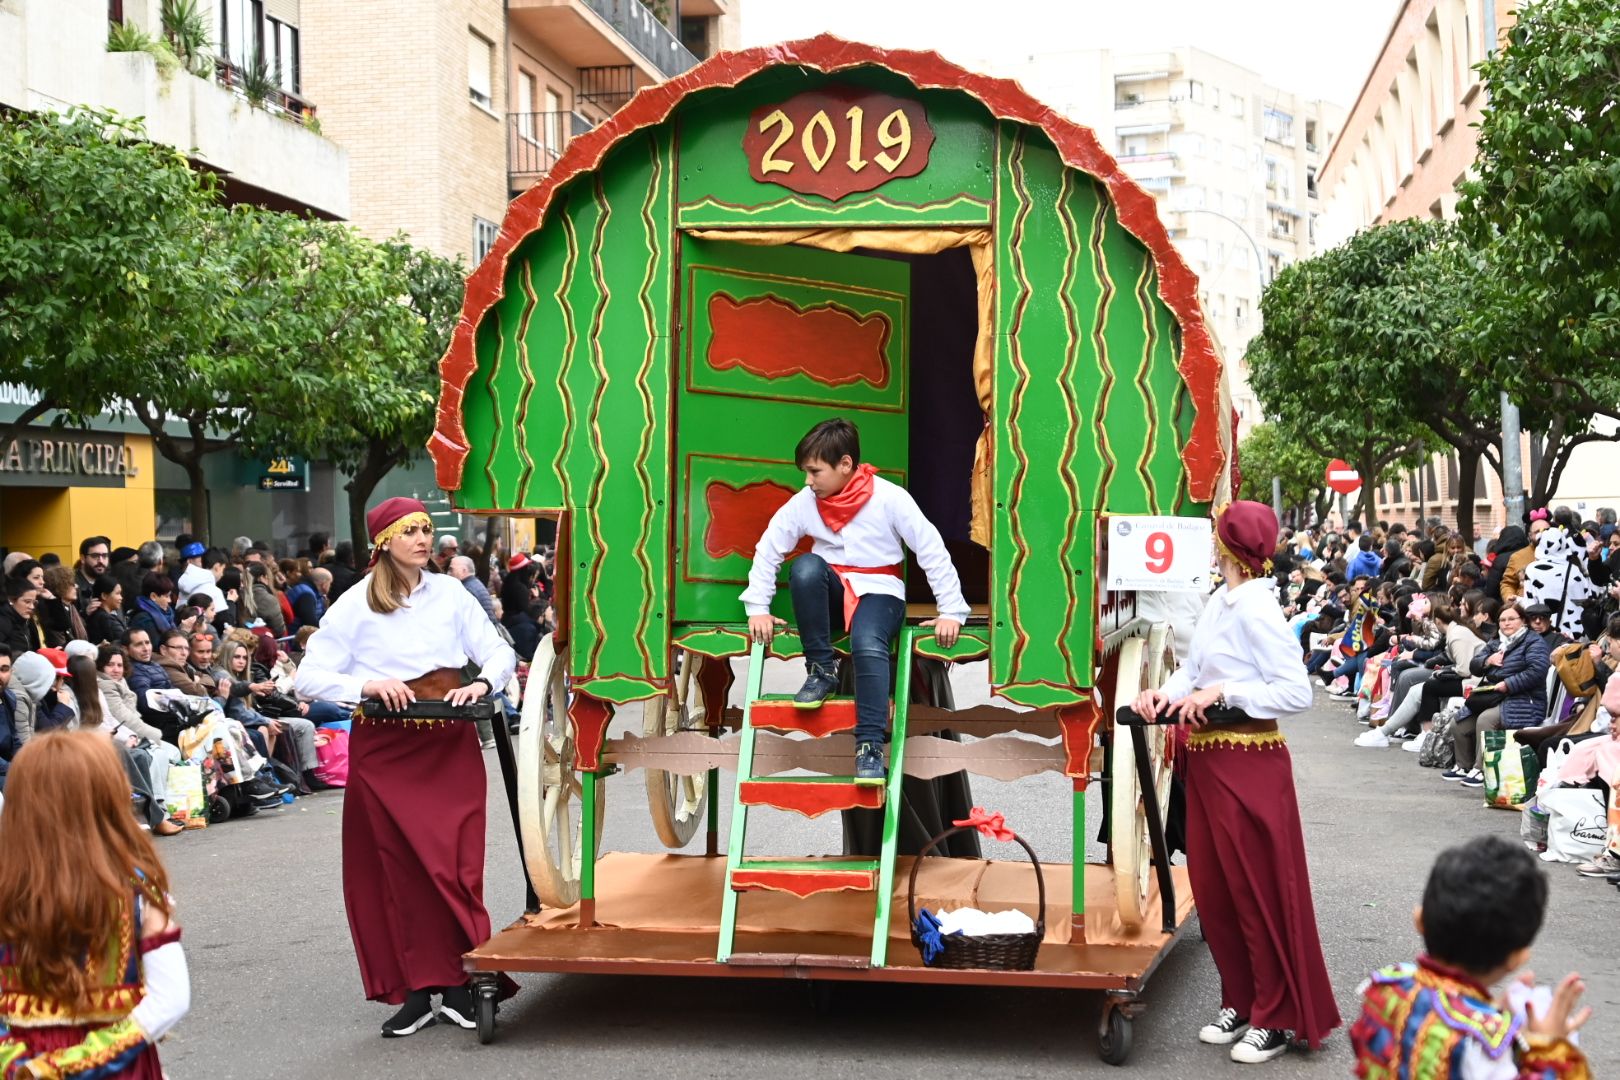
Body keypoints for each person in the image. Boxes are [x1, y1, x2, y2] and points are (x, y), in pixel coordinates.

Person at [295, 496, 517, 1036]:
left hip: (447, 743)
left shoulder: (452, 594)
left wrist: (484, 683)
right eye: (409, 531)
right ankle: (419, 989)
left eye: (425, 528)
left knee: (456, 868)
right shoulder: (353, 603)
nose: (422, 539)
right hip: (384, 751)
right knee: (395, 872)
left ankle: (466, 981)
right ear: (383, 543)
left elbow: (498, 652)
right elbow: (306, 678)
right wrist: (365, 684)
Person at [1132, 500, 1338, 1062]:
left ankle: (1275, 1014)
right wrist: (1166, 694)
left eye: (1215, 534)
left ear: (1227, 546)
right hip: (1210, 760)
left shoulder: (1256, 608)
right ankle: (1242, 1000)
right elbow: (1196, 673)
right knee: (1216, 887)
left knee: (1255, 888)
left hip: (1251, 760)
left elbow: (1297, 692)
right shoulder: (1221, 599)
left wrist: (1226, 695)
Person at [742, 418, 969, 780]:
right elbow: (769, 549)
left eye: (815, 471)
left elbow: (930, 548)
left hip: (880, 593)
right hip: (831, 594)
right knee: (805, 567)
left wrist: (951, 611)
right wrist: (758, 608)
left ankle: (868, 746)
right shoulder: (805, 503)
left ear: (845, 465)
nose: (808, 481)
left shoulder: (889, 497)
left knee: (867, 643)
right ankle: (821, 670)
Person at [0, 731, 191, 1077]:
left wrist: (16, 1064)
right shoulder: (136, 891)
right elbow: (171, 998)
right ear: (107, 802)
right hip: (116, 1066)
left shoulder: (8, 890)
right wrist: (76, 1062)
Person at [1350, 835, 1591, 1078]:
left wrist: (1489, 1008)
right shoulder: (1483, 1043)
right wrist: (1549, 1049)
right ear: (1517, 958)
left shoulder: (1384, 985)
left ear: (1419, 920)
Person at [1447, 601, 1551, 788]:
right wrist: (1488, 660)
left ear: (1523, 621)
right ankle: (1463, 765)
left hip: (1524, 699)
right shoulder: (1497, 642)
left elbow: (1537, 671)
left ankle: (1481, 768)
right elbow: (1474, 665)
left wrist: (1508, 684)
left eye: (1512, 619)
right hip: (1493, 696)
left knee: (1486, 720)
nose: (1506, 623)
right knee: (1459, 722)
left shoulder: (1534, 642)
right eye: (1502, 620)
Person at [39, 564, 89, 647]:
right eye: (71, 584)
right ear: (59, 586)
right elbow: (59, 643)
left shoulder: (72, 608)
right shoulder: (52, 612)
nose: (76, 586)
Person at [174, 544, 228, 613]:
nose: (203, 563)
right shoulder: (178, 582)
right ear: (189, 562)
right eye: (200, 560)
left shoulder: (185, 583)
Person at [0, 576, 43, 654]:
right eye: (27, 602)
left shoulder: (23, 620)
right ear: (11, 600)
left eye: (34, 602)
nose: (32, 607)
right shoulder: (3, 621)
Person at [450, 555, 498, 622]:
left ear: (463, 570)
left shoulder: (467, 589)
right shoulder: (474, 584)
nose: (449, 573)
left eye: (451, 570)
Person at [128, 573, 176, 638]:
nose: (169, 600)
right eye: (166, 596)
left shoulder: (166, 614)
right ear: (153, 596)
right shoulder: (144, 619)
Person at [87, 574, 130, 644]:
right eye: (117, 593)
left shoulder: (96, 616)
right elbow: (126, 643)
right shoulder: (106, 619)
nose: (121, 598)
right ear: (104, 596)